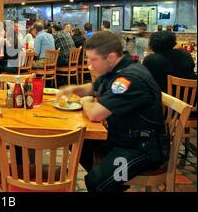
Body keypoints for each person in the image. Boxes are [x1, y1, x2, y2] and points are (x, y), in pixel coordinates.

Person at [56, 31, 168, 192]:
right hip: (121, 137)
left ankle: (107, 182)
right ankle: (112, 182)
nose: (89, 64)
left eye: (93, 59)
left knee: (96, 182)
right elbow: (93, 88)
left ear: (111, 57)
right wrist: (73, 89)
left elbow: (95, 114)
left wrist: (85, 102)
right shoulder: (117, 68)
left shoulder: (129, 78)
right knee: (78, 142)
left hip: (142, 148)